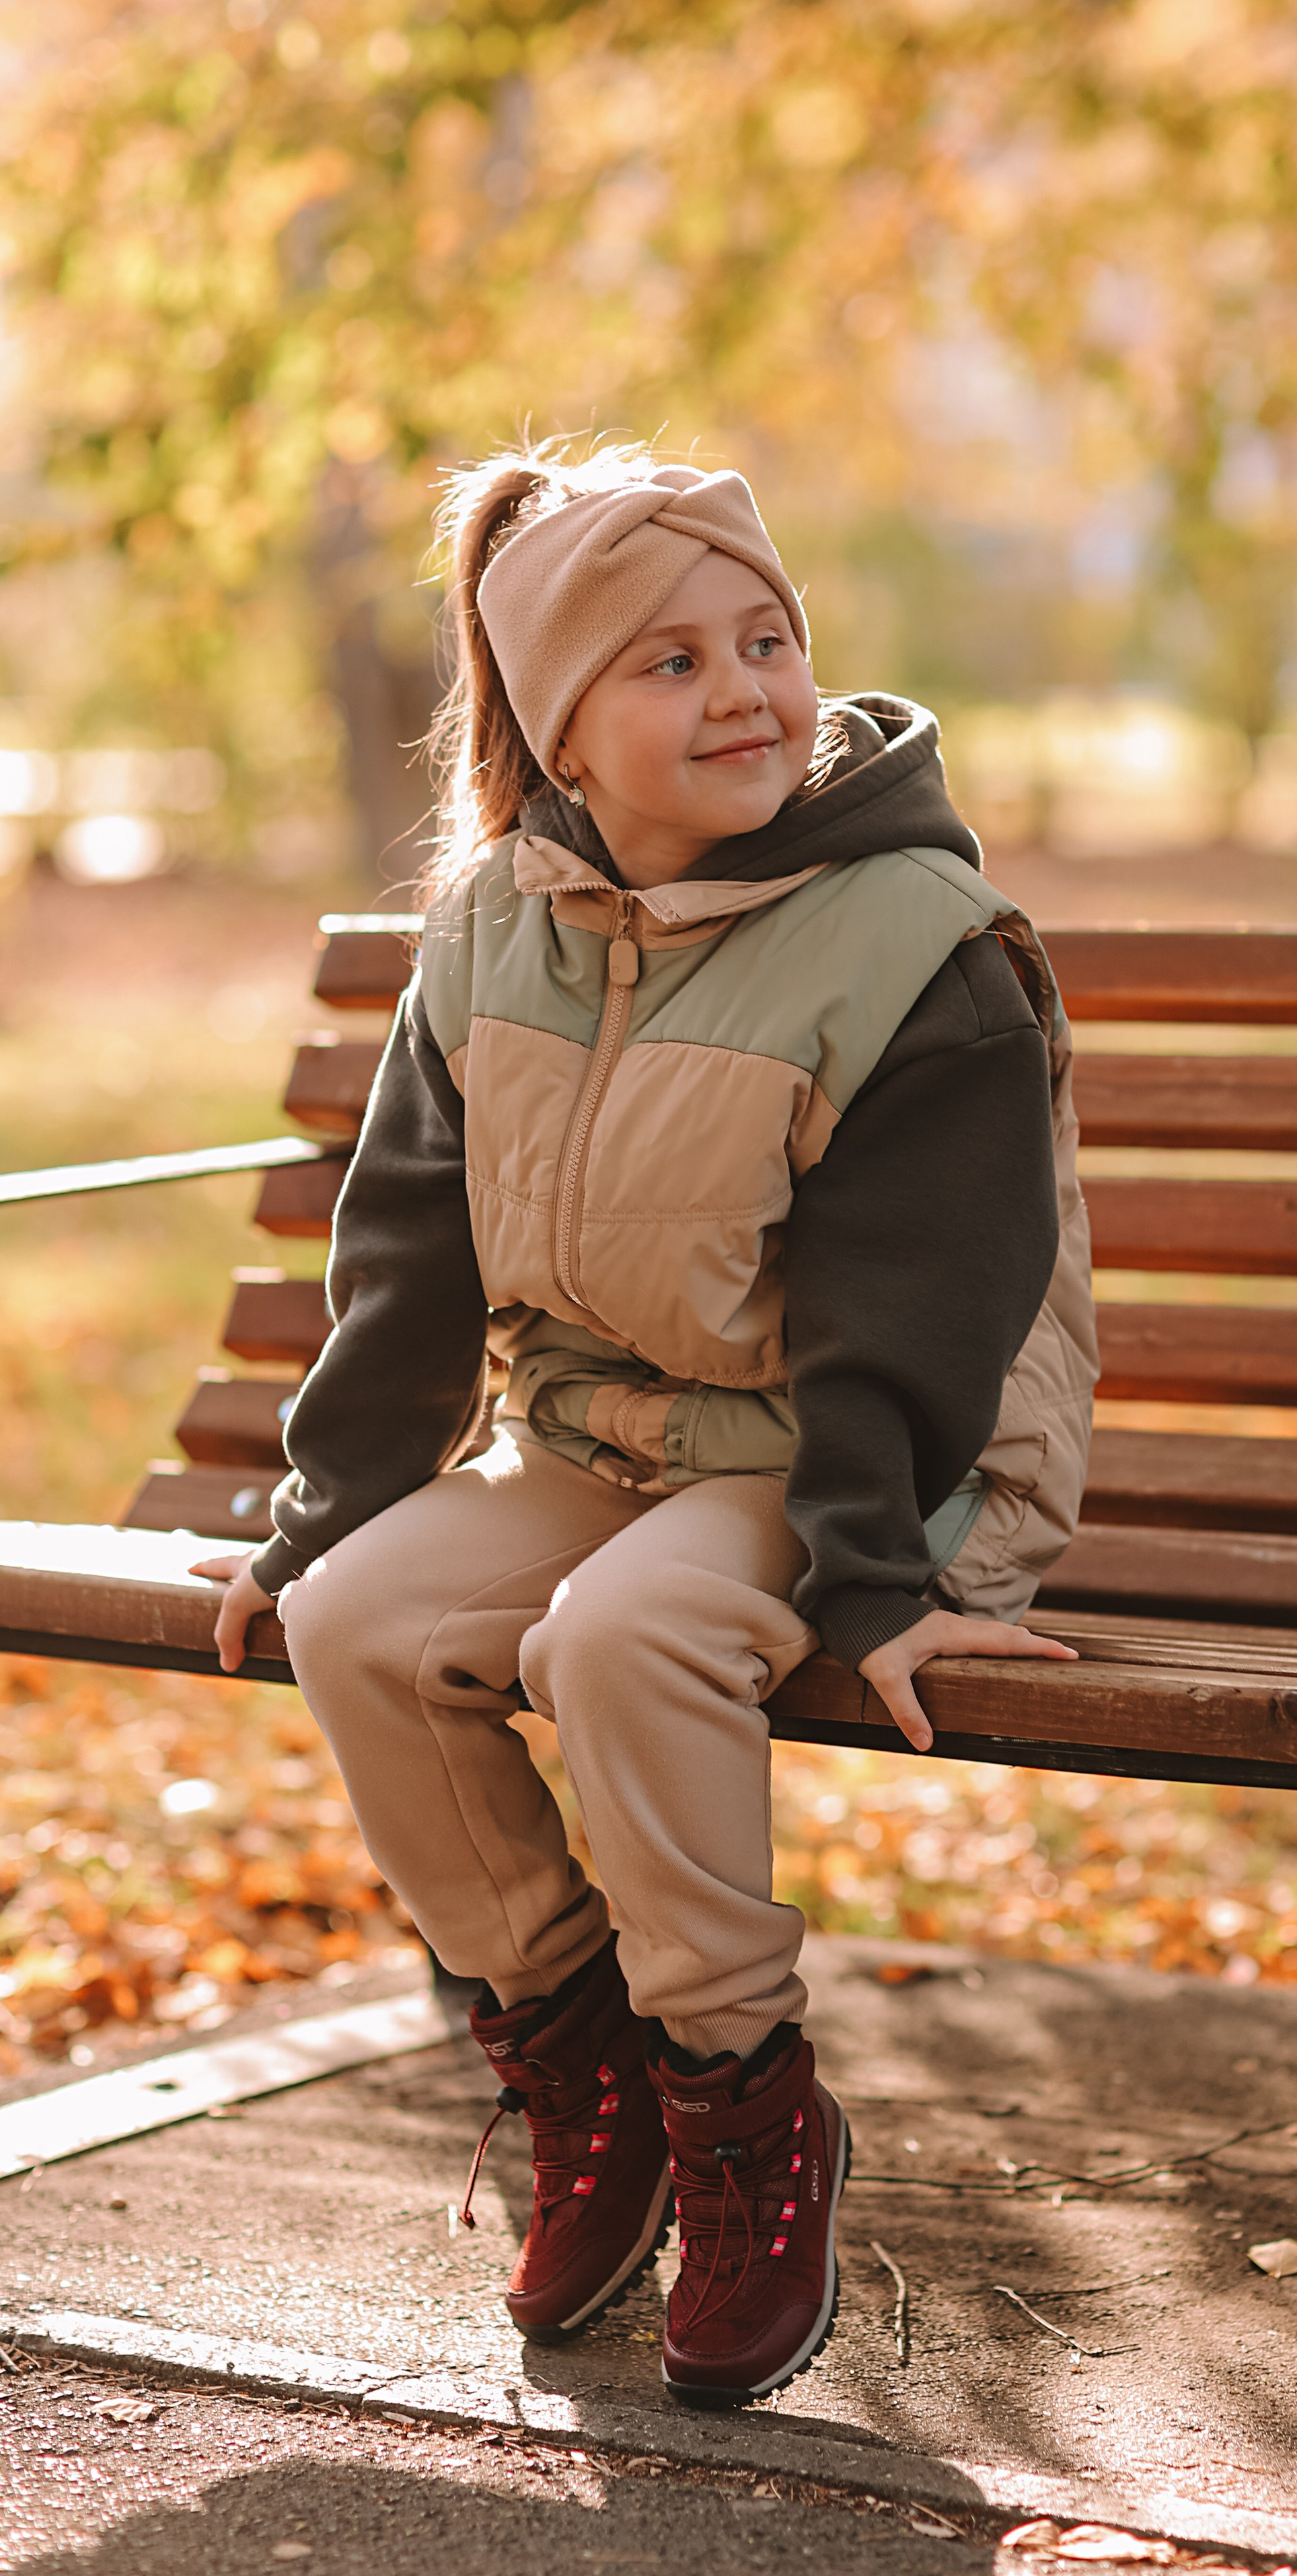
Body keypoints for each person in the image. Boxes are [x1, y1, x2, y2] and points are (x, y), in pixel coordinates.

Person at [196, 442, 1098, 2408]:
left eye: (766, 641)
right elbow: (408, 1259)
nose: (746, 693)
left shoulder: (919, 943)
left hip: (889, 1458)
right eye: (673, 663)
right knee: (359, 1621)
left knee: (622, 1635)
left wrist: (878, 1579)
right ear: (560, 731)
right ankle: (576, 2051)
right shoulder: (492, 933)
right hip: (614, 1437)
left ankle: (740, 2098)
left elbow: (917, 1310)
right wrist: (324, 1515)